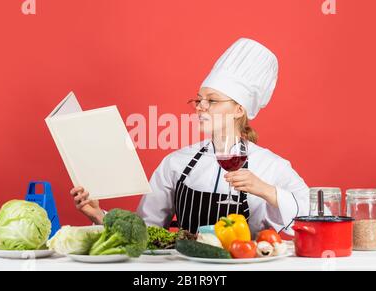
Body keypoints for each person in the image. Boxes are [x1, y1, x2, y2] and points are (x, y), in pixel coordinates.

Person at [71, 38, 309, 236]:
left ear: (239, 110)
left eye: (212, 100)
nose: (200, 107)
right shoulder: (176, 163)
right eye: (199, 99)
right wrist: (100, 216)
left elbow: (312, 214)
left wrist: (266, 190)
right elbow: (146, 230)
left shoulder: (271, 166)